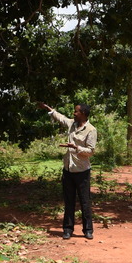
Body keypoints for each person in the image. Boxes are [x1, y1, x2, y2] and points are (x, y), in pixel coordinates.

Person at [37, 102, 97, 239]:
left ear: (83, 114)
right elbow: (61, 117)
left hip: (82, 171)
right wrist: (49, 109)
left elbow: (91, 151)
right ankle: (67, 229)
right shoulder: (72, 124)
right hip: (68, 169)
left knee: (85, 201)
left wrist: (76, 148)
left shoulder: (91, 130)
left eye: (76, 111)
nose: (74, 113)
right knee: (68, 200)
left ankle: (88, 230)